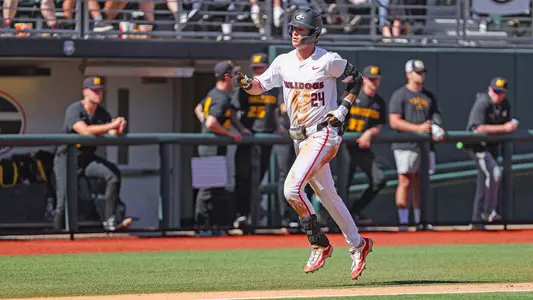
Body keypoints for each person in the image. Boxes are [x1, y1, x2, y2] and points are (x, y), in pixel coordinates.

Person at [230, 8, 373, 280]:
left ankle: (319, 243)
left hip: (323, 133)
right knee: (328, 196)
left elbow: (356, 81)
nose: (296, 33)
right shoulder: (283, 61)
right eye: (294, 29)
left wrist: (343, 109)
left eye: (301, 30)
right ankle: (358, 244)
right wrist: (245, 82)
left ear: (314, 33)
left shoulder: (328, 60)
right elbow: (260, 85)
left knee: (292, 189)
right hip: (300, 137)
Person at [53, 76, 132, 232]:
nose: (98, 94)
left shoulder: (101, 113)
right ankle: (56, 235)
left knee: (113, 175)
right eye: (94, 91)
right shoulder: (74, 109)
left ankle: (110, 222)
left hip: (86, 160)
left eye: (100, 90)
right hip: (66, 159)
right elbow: (85, 132)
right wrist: (112, 125)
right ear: (85, 92)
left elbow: (111, 131)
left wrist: (119, 127)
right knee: (63, 200)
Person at [388, 59, 444, 231]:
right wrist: (418, 128)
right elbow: (394, 122)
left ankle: (421, 220)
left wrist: (437, 127)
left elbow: (436, 116)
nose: (421, 75)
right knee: (405, 181)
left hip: (425, 147)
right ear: (408, 74)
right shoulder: (400, 95)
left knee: (422, 183)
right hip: (406, 145)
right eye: (417, 72)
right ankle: (403, 222)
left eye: (422, 72)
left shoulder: (429, 96)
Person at [193, 60, 246, 235]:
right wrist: (230, 134)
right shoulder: (220, 97)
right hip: (211, 147)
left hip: (211, 145)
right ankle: (202, 227)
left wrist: (240, 129)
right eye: (232, 74)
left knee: (215, 189)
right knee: (207, 189)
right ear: (226, 77)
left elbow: (198, 109)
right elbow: (211, 122)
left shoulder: (215, 93)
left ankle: (212, 227)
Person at [231, 53, 282, 232]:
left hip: (266, 137)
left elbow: (275, 110)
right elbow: (233, 111)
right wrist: (241, 129)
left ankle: (253, 214)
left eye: (261, 68)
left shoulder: (275, 87)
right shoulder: (245, 86)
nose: (258, 71)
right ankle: (240, 215)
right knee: (243, 177)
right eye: (255, 69)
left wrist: (278, 127)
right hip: (249, 137)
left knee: (259, 177)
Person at [465, 77, 518, 228]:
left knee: (489, 177)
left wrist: (511, 126)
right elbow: (477, 129)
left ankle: (481, 216)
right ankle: (487, 213)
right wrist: (505, 128)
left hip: (493, 148)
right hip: (477, 146)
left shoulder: (504, 104)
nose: (498, 95)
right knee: (493, 173)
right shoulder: (483, 102)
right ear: (489, 90)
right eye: (495, 91)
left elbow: (508, 124)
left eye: (501, 92)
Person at [340, 65, 387, 224]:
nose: (374, 82)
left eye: (377, 79)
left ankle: (354, 212)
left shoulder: (379, 102)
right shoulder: (352, 95)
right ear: (364, 79)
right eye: (371, 79)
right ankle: (338, 219)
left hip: (361, 148)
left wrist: (370, 132)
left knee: (379, 179)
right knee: (342, 184)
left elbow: (380, 125)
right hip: (344, 146)